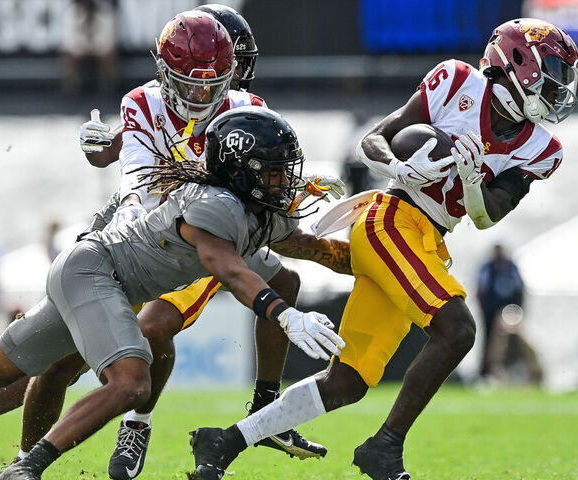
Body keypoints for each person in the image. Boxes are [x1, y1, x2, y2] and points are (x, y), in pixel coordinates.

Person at [0, 9, 345, 480]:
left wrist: (298, 188)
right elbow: (155, 191)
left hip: (185, 232)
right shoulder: (147, 109)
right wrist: (110, 147)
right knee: (56, 365)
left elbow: (273, 205)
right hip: (142, 238)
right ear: (165, 74)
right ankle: (33, 457)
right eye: (191, 84)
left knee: (281, 276)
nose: (202, 96)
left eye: (215, 83)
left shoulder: (244, 112)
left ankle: (259, 407)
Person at [187, 18, 577, 480]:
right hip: (390, 219)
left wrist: (472, 183)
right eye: (553, 69)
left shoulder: (542, 148)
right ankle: (385, 448)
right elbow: (373, 139)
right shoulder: (455, 81)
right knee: (458, 329)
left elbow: (486, 215)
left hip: (428, 238)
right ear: (516, 64)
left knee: (346, 382)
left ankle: (224, 441)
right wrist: (397, 166)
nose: (559, 85)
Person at [477, 243, 525, 379]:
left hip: (509, 310)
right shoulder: (487, 267)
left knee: (512, 339)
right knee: (488, 340)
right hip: (491, 311)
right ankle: (486, 371)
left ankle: (512, 369)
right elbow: (481, 289)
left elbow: (520, 288)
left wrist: (519, 310)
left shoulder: (511, 267)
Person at [61, 0, 119, 93]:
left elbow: (109, 37)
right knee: (69, 56)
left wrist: (96, 48)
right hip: (80, 47)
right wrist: (83, 47)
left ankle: (108, 87)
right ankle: (72, 88)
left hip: (100, 48)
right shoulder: (72, 11)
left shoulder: (106, 11)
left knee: (110, 55)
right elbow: (69, 39)